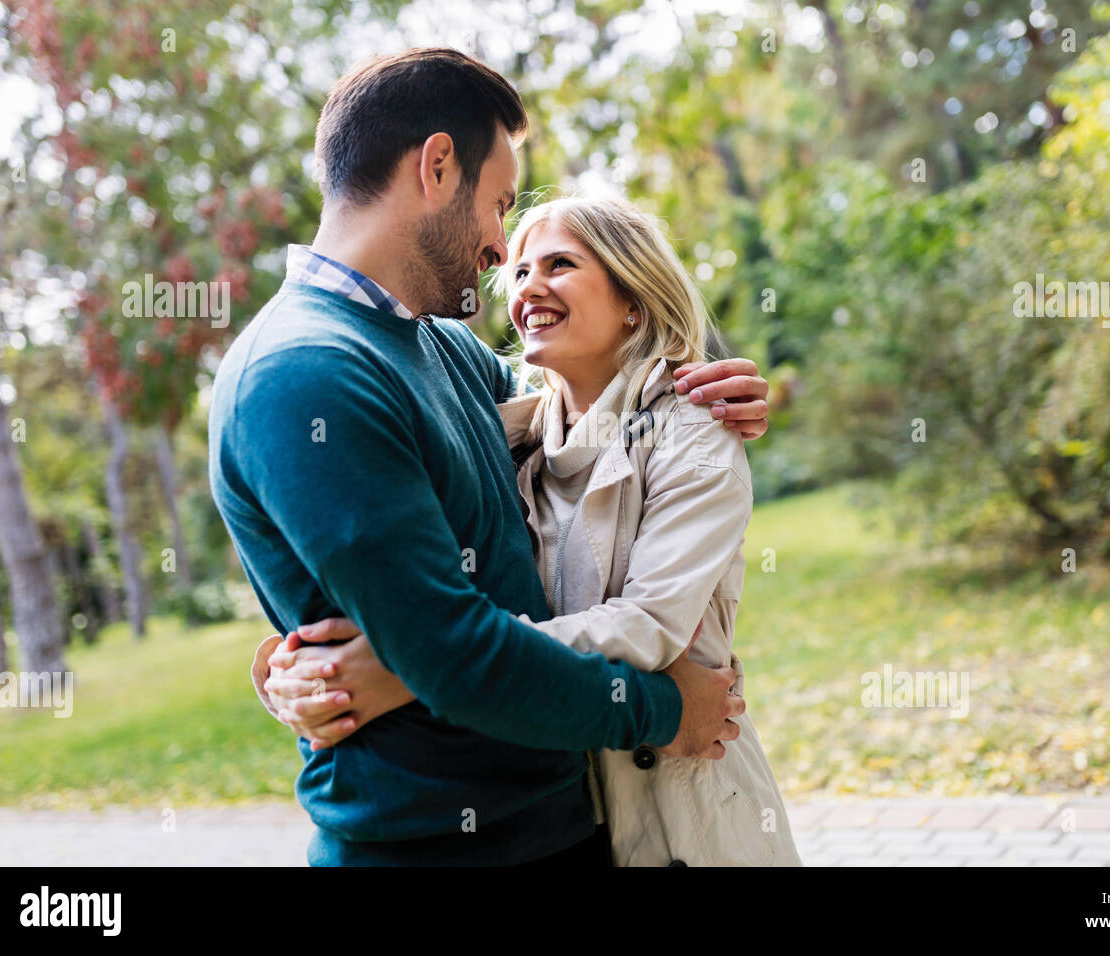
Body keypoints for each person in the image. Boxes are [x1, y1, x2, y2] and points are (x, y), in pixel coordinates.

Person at [208, 47, 773, 867]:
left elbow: (586, 397)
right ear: (437, 167)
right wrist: (663, 711)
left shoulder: (438, 348)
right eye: (500, 204)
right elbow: (455, 657)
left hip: (563, 821)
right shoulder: (304, 373)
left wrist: (705, 388)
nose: (500, 245)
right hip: (434, 849)